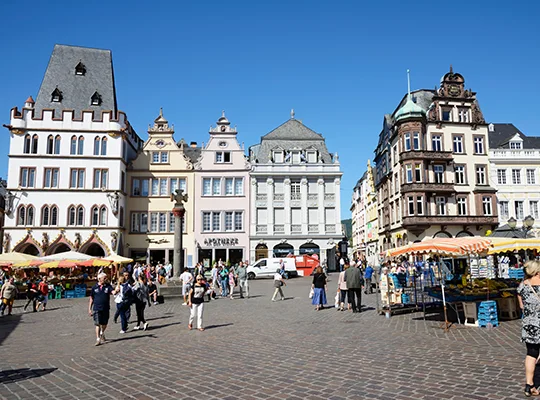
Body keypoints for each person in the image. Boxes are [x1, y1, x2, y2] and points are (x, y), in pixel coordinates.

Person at [517, 260, 540, 396]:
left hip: (529, 325)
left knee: (531, 354)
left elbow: (521, 307)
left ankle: (529, 385)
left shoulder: (522, 286)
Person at [88, 272, 115, 346]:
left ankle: (102, 332)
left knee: (105, 323)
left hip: (105, 308)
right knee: (97, 323)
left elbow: (113, 292)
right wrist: (90, 308)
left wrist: (116, 291)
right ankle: (98, 339)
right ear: (99, 279)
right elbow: (91, 298)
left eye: (106, 278)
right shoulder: (94, 287)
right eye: (104, 278)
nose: (106, 279)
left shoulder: (108, 286)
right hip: (97, 308)